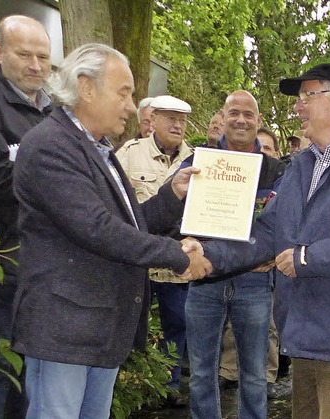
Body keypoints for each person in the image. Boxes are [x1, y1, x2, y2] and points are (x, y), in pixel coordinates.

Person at [195, 63, 330, 419]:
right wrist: (208, 256)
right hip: (303, 330)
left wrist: (308, 258)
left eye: (305, 97)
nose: (297, 107)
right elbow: (268, 232)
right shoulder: (301, 165)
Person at [10, 43, 211, 419]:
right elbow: (97, 229)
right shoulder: (50, 146)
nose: (132, 106)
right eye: (124, 92)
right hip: (65, 332)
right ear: (86, 88)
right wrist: (177, 256)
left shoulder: (98, 149)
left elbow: (125, 226)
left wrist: (172, 195)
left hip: (98, 329)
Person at [184, 90, 286, 419]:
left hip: (254, 280)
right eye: (234, 113)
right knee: (201, 372)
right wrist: (185, 238)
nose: (241, 119)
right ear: (223, 117)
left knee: (255, 375)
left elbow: (285, 222)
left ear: (258, 122)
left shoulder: (276, 171)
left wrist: (274, 251)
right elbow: (174, 211)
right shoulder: (199, 162)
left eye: (248, 114)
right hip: (204, 280)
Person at [0, 15, 53, 418]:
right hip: (4, 264)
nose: (35, 65)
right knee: (2, 370)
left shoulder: (54, 109)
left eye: (43, 56)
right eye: (24, 54)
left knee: (36, 372)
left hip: (45, 266)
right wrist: (56, 173)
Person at [116, 94, 195, 406]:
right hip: (141, 263)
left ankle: (169, 387)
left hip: (179, 263)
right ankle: (135, 389)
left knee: (177, 323)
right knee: (137, 325)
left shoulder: (199, 159)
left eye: (182, 119)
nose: (177, 124)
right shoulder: (129, 155)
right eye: (169, 118)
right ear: (154, 120)